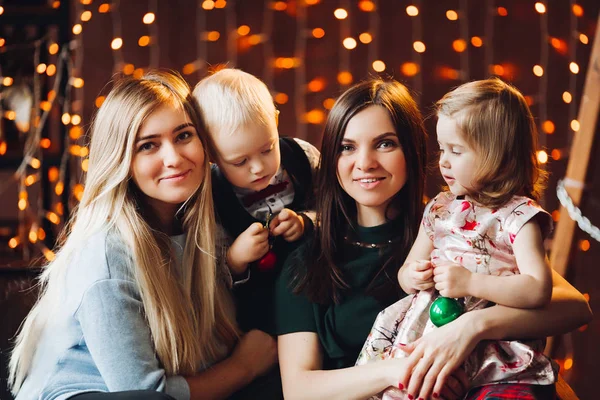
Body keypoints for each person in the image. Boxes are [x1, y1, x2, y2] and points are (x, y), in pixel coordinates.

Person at [274, 78, 592, 400]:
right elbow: (299, 390)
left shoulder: (457, 226)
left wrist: (471, 329)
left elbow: (575, 308)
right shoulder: (308, 259)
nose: (365, 163)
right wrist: (400, 370)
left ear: (411, 151)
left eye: (385, 143)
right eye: (347, 147)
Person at [8, 71, 277, 400]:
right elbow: (142, 391)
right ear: (123, 161)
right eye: (148, 145)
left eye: (183, 136)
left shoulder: (214, 224)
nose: (174, 158)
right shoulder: (108, 254)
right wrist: (243, 368)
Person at [359, 78, 557, 399]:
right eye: (442, 149)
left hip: (496, 351)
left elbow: (537, 289)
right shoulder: (440, 208)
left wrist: (470, 283)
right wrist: (413, 275)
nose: (444, 161)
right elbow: (407, 272)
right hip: (429, 337)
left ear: (498, 155)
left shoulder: (518, 217)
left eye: (457, 150)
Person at [193, 68, 320, 335]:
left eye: (267, 149)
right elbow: (208, 277)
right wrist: (235, 258)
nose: (259, 167)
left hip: (318, 291)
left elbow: (341, 212)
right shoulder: (210, 195)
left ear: (274, 121)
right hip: (260, 317)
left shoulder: (302, 156)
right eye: (240, 161)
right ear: (211, 152)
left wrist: (307, 221)